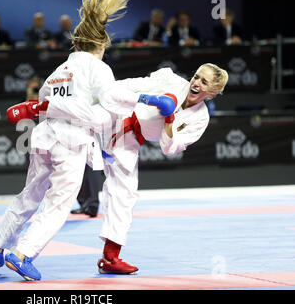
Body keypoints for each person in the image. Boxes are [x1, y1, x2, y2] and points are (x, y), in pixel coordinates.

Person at [0, 0, 177, 281]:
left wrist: (45, 107)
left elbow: (48, 103)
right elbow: (112, 99)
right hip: (69, 141)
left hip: (44, 136)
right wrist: (149, 99)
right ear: (101, 45)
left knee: (31, 193)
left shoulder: (59, 70)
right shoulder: (98, 68)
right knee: (60, 202)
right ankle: (22, 253)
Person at [96, 63, 228, 274]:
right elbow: (131, 86)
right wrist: (147, 99)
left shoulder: (200, 119)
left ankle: (110, 258)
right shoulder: (173, 83)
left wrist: (169, 118)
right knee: (63, 172)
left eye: (204, 82)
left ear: (212, 92)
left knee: (125, 194)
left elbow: (169, 148)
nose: (196, 83)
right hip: (112, 117)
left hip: (128, 140)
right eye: (196, 76)